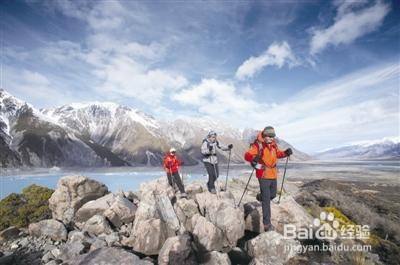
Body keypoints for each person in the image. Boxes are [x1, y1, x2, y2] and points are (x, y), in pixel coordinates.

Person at [244, 126, 292, 232]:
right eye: (269, 136)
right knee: (267, 200)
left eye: (272, 136)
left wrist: (285, 153)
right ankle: (267, 224)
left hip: (273, 174)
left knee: (273, 195)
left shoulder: (274, 145)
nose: (270, 138)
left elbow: (278, 154)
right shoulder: (258, 145)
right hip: (263, 174)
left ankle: (260, 197)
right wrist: (254, 158)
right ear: (264, 135)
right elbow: (247, 155)